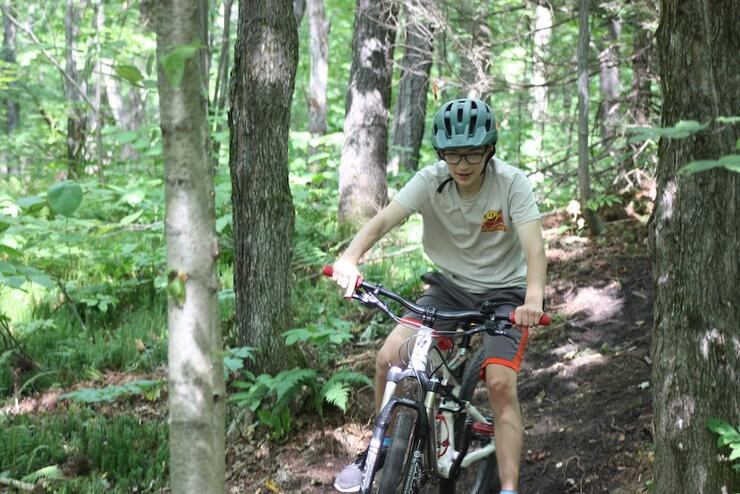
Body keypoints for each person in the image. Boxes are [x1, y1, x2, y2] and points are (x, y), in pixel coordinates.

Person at [331, 98, 547, 494]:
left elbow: (534, 248)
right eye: (452, 154)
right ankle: (376, 452)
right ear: (441, 153)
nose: (461, 164)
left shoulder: (511, 183)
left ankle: (510, 487)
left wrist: (533, 300)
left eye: (471, 154)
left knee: (500, 384)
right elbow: (382, 222)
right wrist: (349, 257)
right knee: (387, 360)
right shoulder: (431, 181)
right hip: (449, 289)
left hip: (506, 295)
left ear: (489, 150)